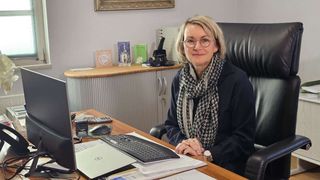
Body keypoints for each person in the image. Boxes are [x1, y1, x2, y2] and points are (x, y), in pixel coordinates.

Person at [165, 15, 256, 175]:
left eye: (205, 40)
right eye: (190, 41)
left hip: (225, 163)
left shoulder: (237, 81)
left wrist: (207, 155)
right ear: (182, 46)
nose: (196, 47)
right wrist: (185, 146)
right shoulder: (180, 79)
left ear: (216, 46)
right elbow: (171, 125)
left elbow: (243, 139)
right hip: (187, 158)